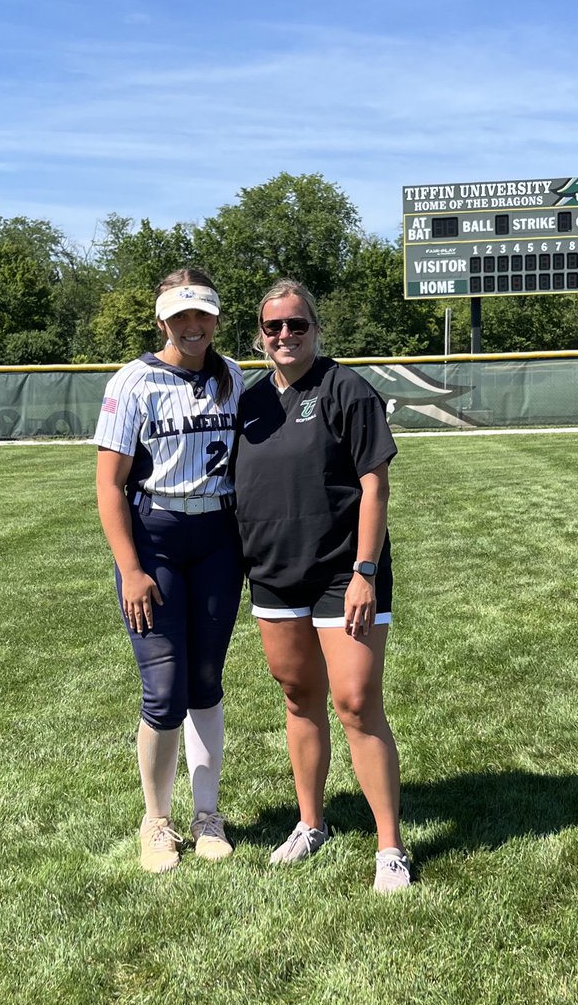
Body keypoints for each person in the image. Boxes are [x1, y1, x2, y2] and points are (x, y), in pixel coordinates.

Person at [232, 278, 410, 893]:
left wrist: (364, 572)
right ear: (260, 335)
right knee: (297, 697)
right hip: (275, 573)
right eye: (273, 327)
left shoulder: (346, 389)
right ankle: (312, 823)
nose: (285, 335)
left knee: (356, 702)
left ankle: (390, 845)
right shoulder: (249, 403)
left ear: (315, 329)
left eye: (296, 325)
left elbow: (374, 486)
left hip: (343, 572)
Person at [94, 268, 243, 873]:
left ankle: (207, 813)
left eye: (201, 313)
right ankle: (157, 820)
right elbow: (108, 484)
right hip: (156, 536)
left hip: (218, 538)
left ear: (215, 318)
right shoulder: (133, 381)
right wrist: (130, 568)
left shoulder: (232, 376)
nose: (191, 325)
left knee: (206, 680)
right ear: (161, 320)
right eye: (179, 315)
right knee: (163, 689)